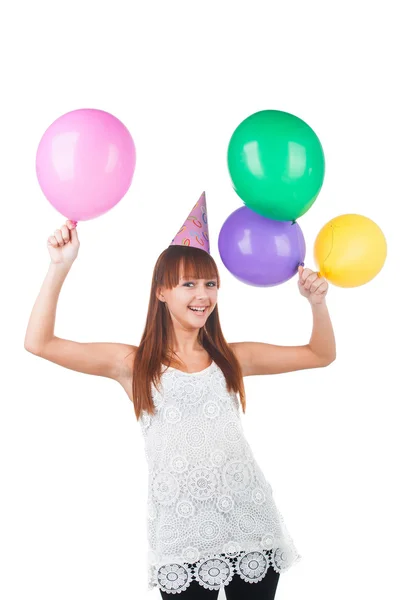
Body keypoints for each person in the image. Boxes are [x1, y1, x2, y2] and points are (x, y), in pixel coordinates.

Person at [24, 192, 336, 598]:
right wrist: (59, 267)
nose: (202, 295)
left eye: (210, 283)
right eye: (188, 284)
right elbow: (39, 342)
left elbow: (320, 354)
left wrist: (316, 303)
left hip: (250, 523)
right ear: (161, 292)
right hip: (182, 532)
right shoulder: (134, 365)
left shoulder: (232, 359)